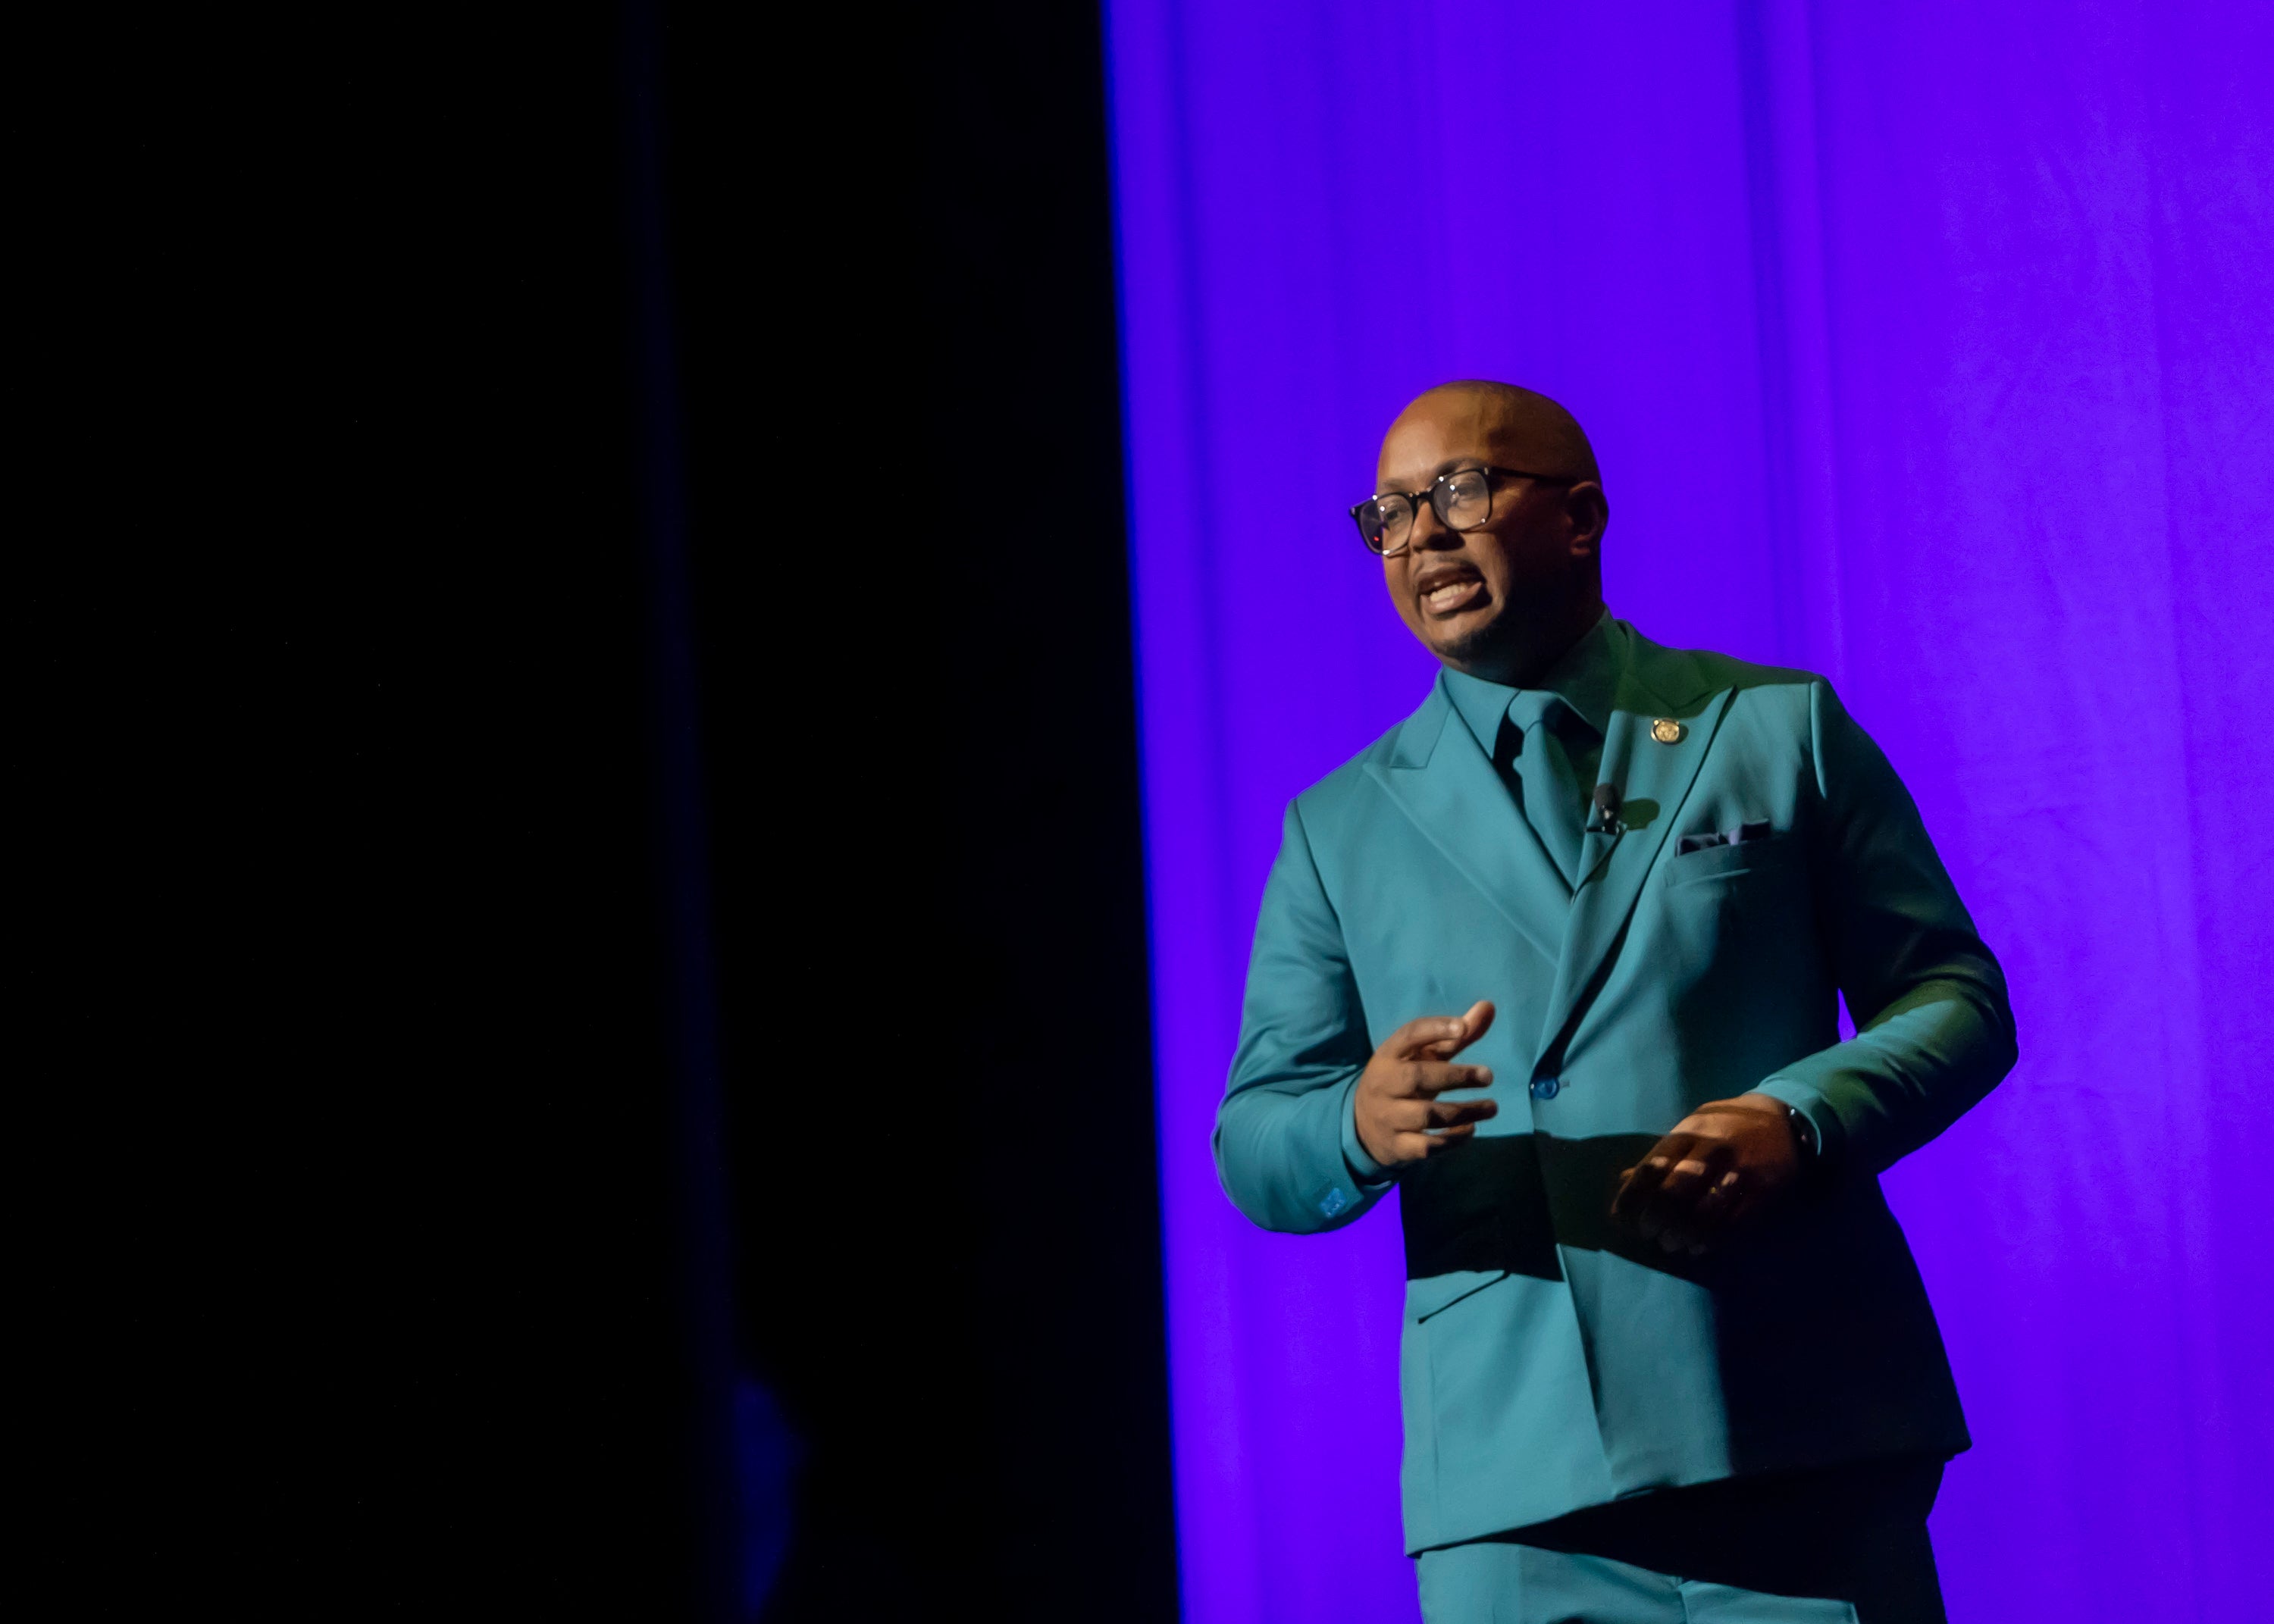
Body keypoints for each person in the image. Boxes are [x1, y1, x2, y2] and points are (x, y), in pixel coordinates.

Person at [1216, 381, 2017, 1622]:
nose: (1420, 535)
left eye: (1459, 493)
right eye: (1388, 515)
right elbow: (1256, 1143)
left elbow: (1957, 998)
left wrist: (1797, 1119)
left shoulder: (1770, 728)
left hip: (1794, 1433)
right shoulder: (1341, 829)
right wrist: (1354, 1129)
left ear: (1580, 517)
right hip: (1518, 1484)